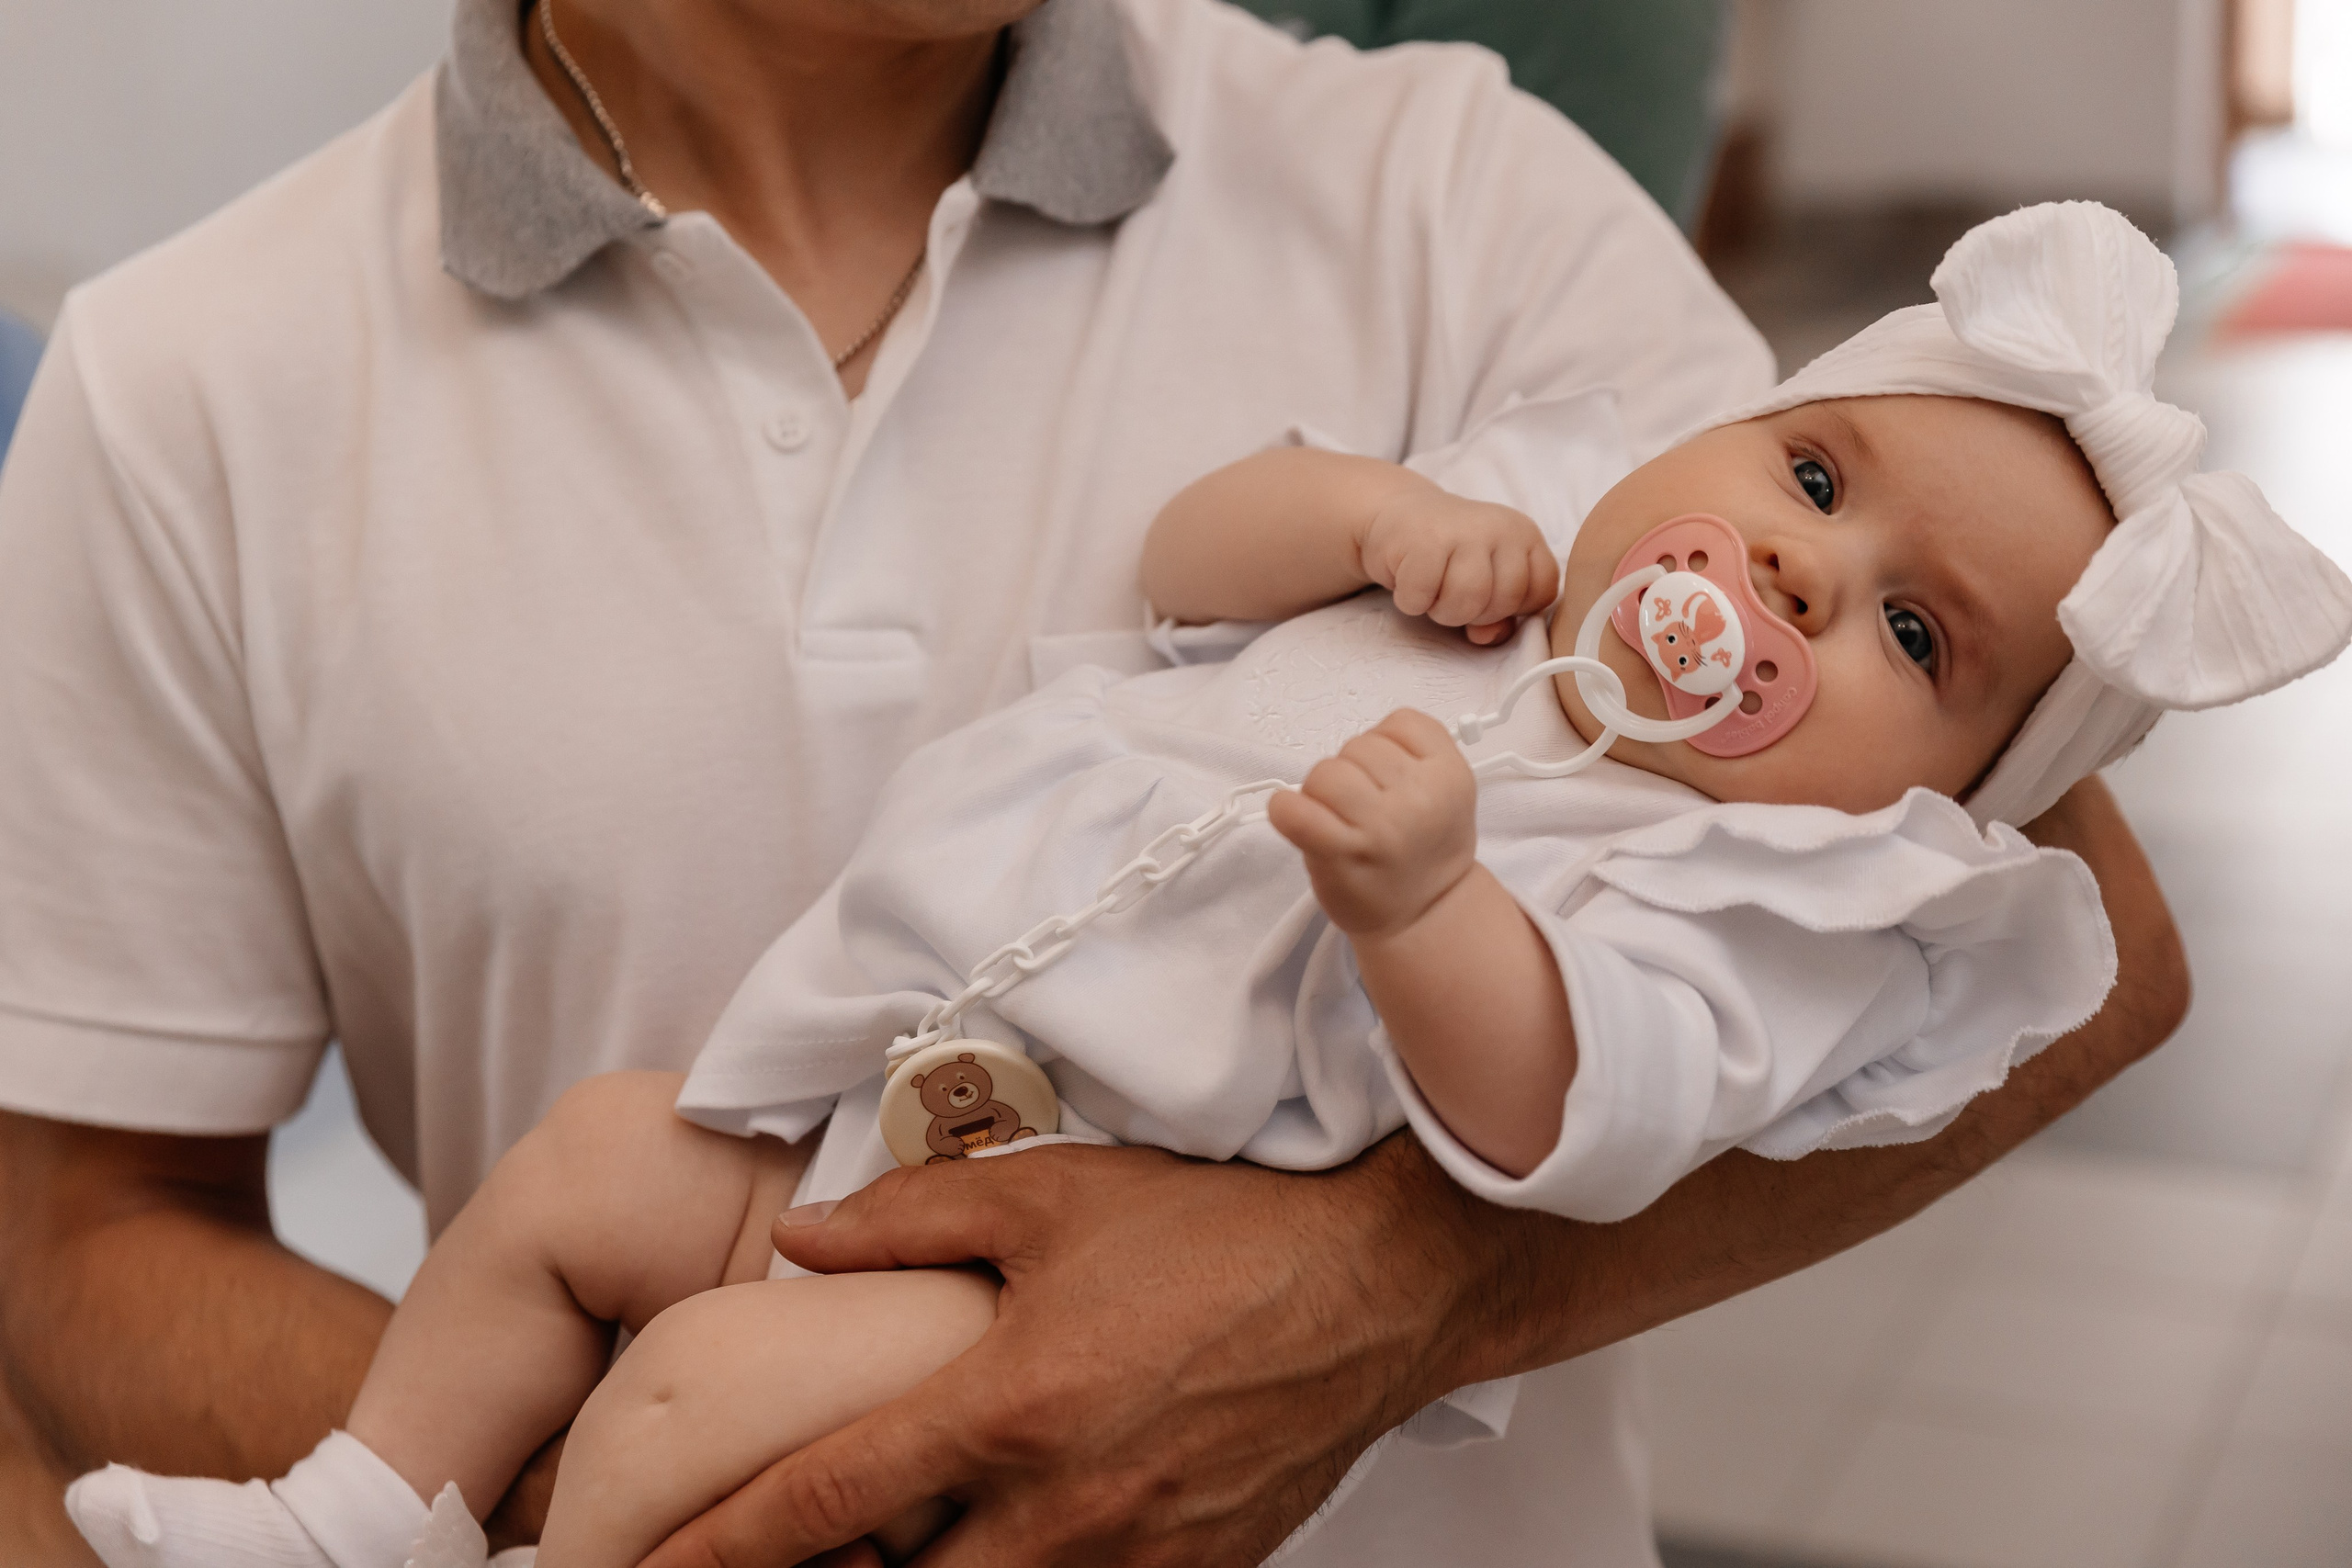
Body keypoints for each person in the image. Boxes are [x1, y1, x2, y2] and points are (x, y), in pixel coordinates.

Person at [0, 3, 2193, 1566]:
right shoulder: (191, 379)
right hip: (725, 1267)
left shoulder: (1451, 189)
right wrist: (756, 1488)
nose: (1795, 577)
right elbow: (77, 1229)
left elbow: (2045, 943)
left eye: (1893, 612)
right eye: (1811, 495)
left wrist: (1370, 1297)